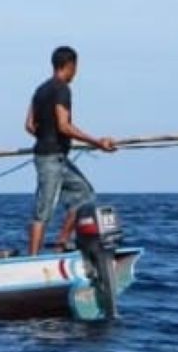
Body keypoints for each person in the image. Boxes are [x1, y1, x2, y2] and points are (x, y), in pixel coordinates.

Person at [25, 46, 116, 255]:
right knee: (43, 210)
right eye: (76, 67)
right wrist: (97, 142)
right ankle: (32, 259)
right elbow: (64, 126)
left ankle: (61, 243)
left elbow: (29, 125)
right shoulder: (62, 89)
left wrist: (46, 135)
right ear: (70, 65)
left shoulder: (39, 90)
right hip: (50, 159)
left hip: (57, 157)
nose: (76, 72)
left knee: (85, 195)